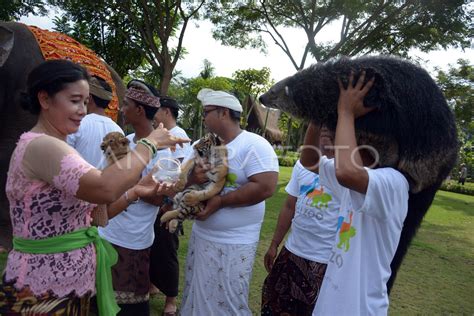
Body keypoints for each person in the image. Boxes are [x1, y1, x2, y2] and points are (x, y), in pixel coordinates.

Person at [0, 60, 188, 315]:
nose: (82, 110)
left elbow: (95, 216)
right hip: (42, 287)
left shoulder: (62, 146)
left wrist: (135, 192)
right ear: (44, 99)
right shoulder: (41, 145)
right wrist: (151, 144)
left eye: (85, 102)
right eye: (75, 100)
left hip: (71, 285)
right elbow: (104, 189)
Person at [298, 72, 409, 315]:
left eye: (342, 132)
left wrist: (346, 113)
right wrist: (319, 113)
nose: (336, 138)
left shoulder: (393, 183)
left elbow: (347, 171)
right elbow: (308, 161)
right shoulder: (350, 183)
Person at [180, 88, 279, 315]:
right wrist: (193, 178)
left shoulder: (254, 144)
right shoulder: (201, 145)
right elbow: (181, 180)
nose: (203, 118)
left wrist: (220, 202)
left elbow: (266, 186)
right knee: (197, 296)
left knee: (228, 300)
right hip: (202, 236)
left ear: (223, 113)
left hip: (235, 242)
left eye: (206, 112)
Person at [98, 80, 172, 315]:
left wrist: (131, 185)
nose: (121, 109)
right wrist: (139, 184)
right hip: (108, 232)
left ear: (140, 110)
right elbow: (104, 185)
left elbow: (159, 199)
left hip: (134, 240)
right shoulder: (123, 143)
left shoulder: (164, 151)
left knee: (132, 307)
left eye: (126, 104)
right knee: (101, 303)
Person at [261, 127, 340, 316]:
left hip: (322, 259)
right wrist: (274, 244)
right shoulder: (301, 166)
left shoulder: (346, 172)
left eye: (331, 132)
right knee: (273, 301)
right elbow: (289, 205)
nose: (325, 136)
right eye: (322, 130)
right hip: (292, 251)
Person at [149, 96, 192, 316]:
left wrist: (167, 203)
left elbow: (178, 175)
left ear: (166, 111)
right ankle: (154, 284)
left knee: (167, 249)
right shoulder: (162, 133)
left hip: (170, 204)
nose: (153, 114)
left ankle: (171, 300)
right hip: (157, 200)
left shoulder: (179, 136)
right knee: (154, 246)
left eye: (156, 110)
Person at [67, 75, 123, 169]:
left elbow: (63, 159)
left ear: (90, 98)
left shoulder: (77, 123)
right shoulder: (118, 131)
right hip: (106, 183)